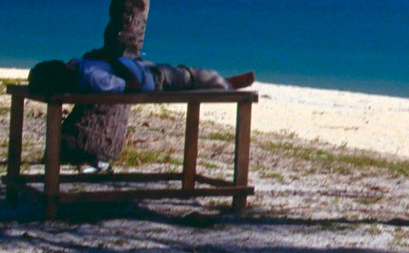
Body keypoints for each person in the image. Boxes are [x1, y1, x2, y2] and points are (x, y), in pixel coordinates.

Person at [27, 53, 254, 170]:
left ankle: (220, 82)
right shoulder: (91, 78)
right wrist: (116, 63)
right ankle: (223, 84)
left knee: (187, 75)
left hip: (147, 71)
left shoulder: (79, 73)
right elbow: (129, 86)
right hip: (153, 79)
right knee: (190, 75)